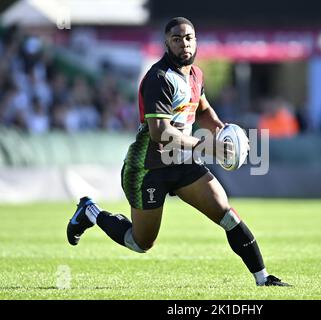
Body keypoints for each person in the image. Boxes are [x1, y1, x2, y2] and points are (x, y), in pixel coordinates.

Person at [66, 17, 290, 287]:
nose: (184, 44)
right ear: (166, 43)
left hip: (182, 162)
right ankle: (90, 211)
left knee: (227, 214)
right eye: (176, 39)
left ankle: (263, 279)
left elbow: (203, 109)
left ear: (195, 40)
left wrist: (222, 130)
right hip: (147, 168)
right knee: (140, 243)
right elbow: (161, 133)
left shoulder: (195, 74)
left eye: (189, 38)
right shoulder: (159, 78)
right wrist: (209, 145)